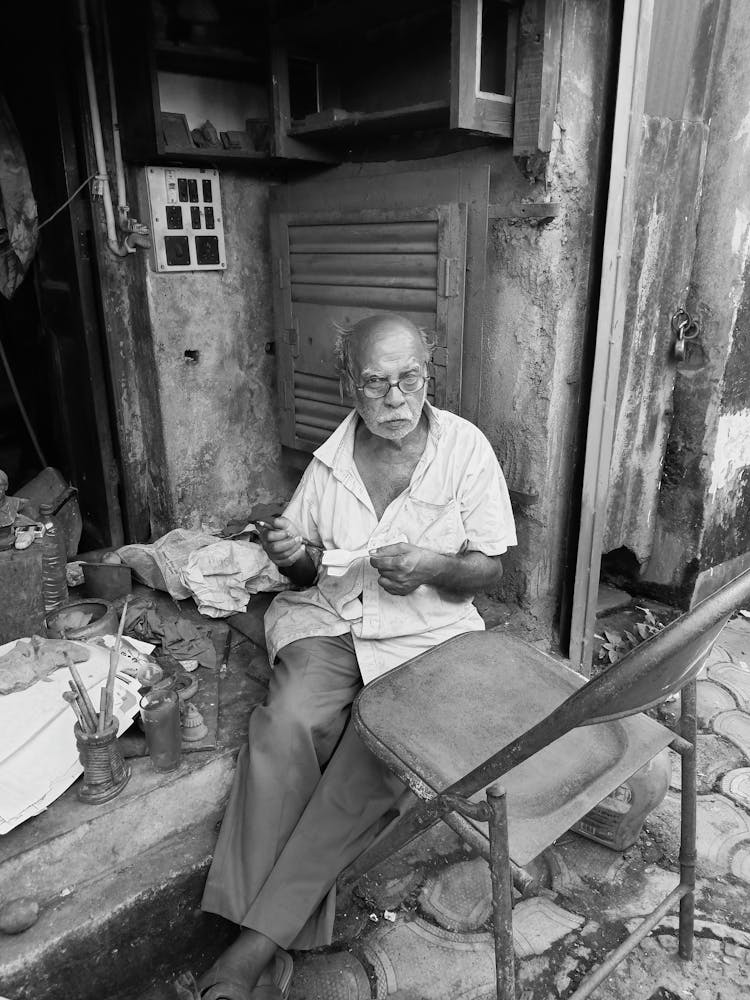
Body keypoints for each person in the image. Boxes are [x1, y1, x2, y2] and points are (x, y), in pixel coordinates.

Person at [198, 312, 517, 1000]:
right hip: (334, 621)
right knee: (285, 726)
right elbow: (309, 574)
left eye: (409, 380)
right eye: (376, 385)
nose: (396, 399)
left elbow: (490, 568)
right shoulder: (330, 464)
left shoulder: (466, 451)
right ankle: (267, 932)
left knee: (365, 768)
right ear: (350, 384)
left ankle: (250, 949)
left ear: (430, 374)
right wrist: (293, 556)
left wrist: (435, 565)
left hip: (426, 637)